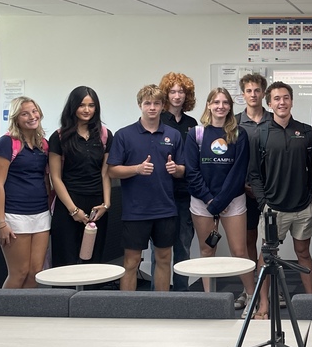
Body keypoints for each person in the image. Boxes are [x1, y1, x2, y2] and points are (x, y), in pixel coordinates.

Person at [184, 88, 258, 308]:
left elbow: (238, 171)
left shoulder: (238, 133)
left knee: (239, 251)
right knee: (207, 251)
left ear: (230, 107)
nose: (220, 106)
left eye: (225, 102)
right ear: (208, 105)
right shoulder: (195, 134)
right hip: (201, 201)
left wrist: (221, 201)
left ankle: (251, 296)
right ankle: (210, 300)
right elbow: (191, 171)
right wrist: (209, 201)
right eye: (216, 102)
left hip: (232, 201)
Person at [247, 81, 312, 311]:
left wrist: (311, 196)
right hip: (273, 209)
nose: (282, 102)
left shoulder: (306, 132)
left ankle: (310, 304)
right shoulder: (260, 134)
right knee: (266, 256)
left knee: (303, 253)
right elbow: (254, 174)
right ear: (269, 103)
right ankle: (263, 305)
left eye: (286, 98)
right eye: (277, 99)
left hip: (301, 207)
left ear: (292, 101)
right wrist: (263, 202)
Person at [107, 84, 184, 291]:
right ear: (140, 105)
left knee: (164, 259)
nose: (152, 108)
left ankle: (162, 307)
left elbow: (183, 170)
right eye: (147, 103)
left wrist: (175, 168)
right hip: (136, 211)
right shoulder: (124, 135)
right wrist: (137, 169)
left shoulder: (173, 135)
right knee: (131, 262)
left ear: (162, 106)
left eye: (157, 103)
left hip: (165, 208)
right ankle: (127, 310)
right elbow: (112, 171)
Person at [0, 97, 51, 289]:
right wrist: (0, 222)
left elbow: (46, 180)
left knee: (35, 272)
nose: (32, 116)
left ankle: (26, 315)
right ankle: (4, 316)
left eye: (34, 111)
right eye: (25, 113)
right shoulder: (6, 143)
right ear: (16, 118)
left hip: (40, 214)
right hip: (14, 214)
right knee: (19, 272)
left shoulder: (43, 144)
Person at [48, 86, 112, 266]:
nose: (87, 110)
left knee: (94, 262)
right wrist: (73, 210)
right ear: (73, 107)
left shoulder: (105, 135)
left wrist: (106, 204)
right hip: (68, 205)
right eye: (82, 105)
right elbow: (56, 178)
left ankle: (91, 296)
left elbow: (105, 173)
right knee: (65, 262)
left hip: (97, 206)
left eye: (91, 105)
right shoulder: (59, 137)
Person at [237, 72, 272, 309]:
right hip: (243, 191)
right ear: (243, 94)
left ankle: (269, 291)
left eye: (257, 90)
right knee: (248, 241)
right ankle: (248, 290)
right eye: (249, 91)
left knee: (269, 243)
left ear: (263, 93)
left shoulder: (274, 119)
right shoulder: (234, 122)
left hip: (271, 191)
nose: (253, 94)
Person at [159, 72, 198, 291]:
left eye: (181, 91)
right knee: (161, 249)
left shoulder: (192, 123)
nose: (177, 96)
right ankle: (160, 295)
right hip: (162, 193)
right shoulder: (158, 119)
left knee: (183, 245)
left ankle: (182, 294)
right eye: (172, 91)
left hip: (186, 193)